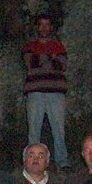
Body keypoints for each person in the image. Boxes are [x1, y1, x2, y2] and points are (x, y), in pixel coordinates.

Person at [22, 14, 69, 169]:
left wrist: (42, 60)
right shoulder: (30, 46)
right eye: (41, 24)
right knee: (34, 130)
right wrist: (51, 59)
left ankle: (62, 162)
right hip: (35, 92)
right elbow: (31, 64)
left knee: (59, 129)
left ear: (51, 27)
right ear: (37, 27)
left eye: (47, 25)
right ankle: (32, 163)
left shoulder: (58, 46)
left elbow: (61, 65)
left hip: (56, 92)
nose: (44, 28)